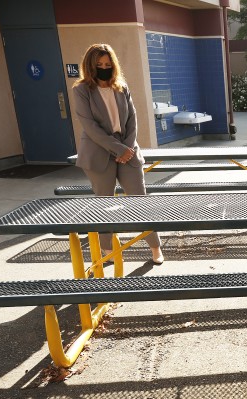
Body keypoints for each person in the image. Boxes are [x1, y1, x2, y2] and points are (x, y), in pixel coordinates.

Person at [72, 43, 164, 265]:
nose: (104, 68)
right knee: (104, 203)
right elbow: (90, 126)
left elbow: (133, 120)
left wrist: (127, 148)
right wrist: (119, 149)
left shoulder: (121, 87)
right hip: (98, 152)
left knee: (139, 200)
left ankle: (155, 248)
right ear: (90, 66)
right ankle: (107, 252)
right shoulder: (81, 90)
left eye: (107, 64)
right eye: (99, 65)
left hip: (128, 151)